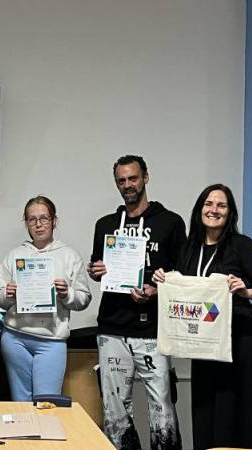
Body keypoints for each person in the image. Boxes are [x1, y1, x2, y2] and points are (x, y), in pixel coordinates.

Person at [153, 184, 252, 450]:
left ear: (230, 213)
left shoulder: (240, 245)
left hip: (239, 343)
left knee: (237, 418)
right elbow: (182, 287)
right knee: (206, 415)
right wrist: (163, 279)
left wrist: (247, 291)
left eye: (221, 205)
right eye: (209, 204)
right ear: (200, 209)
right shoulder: (189, 247)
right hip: (205, 346)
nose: (214, 210)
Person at [88, 155, 185, 450]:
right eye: (121, 180)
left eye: (133, 178)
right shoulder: (105, 224)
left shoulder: (171, 223)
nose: (128, 185)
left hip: (154, 331)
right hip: (112, 329)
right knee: (115, 412)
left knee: (162, 409)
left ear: (145, 177)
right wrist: (96, 271)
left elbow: (182, 274)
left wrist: (155, 290)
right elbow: (97, 268)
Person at [0, 195, 92, 401]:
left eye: (44, 218)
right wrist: (7, 295)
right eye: (32, 219)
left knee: (47, 403)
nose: (38, 225)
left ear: (54, 221)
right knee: (20, 403)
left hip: (51, 340)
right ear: (27, 223)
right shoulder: (14, 255)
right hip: (15, 338)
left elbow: (83, 299)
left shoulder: (69, 256)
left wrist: (67, 294)